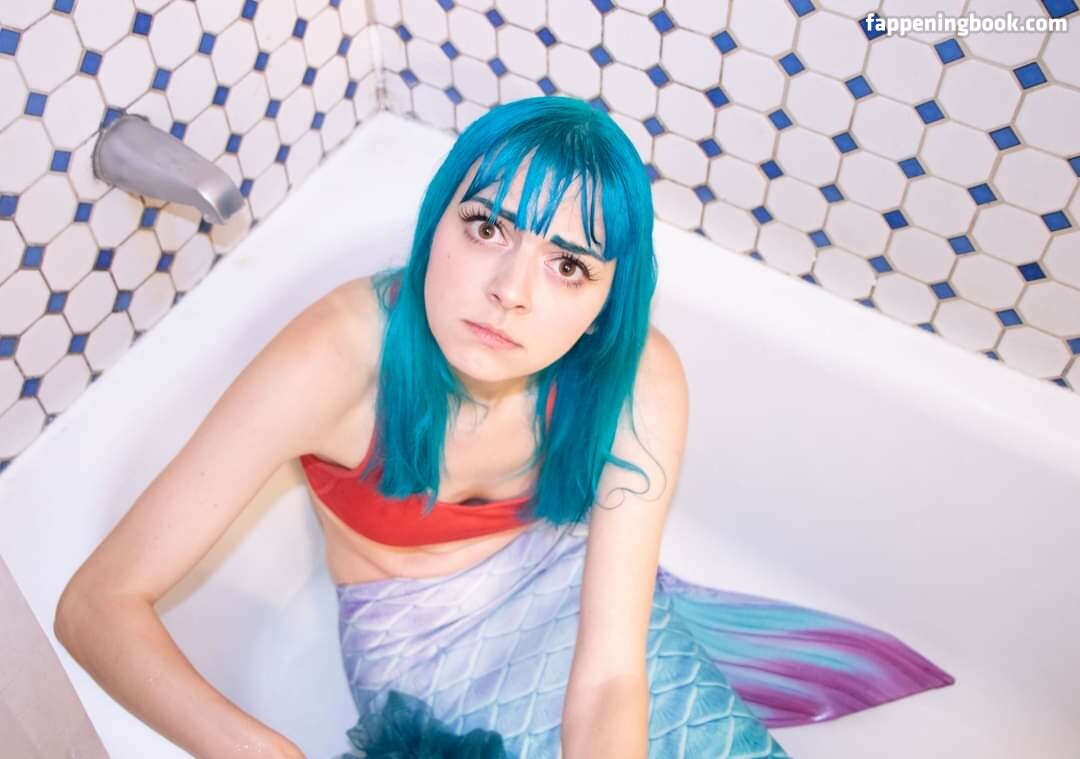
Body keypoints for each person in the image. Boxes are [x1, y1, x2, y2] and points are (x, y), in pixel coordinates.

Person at [55, 95, 953, 759]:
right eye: (487, 226)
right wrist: (268, 754)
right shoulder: (336, 357)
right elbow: (96, 605)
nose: (510, 291)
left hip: (572, 589)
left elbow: (610, 672)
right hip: (421, 648)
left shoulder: (638, 376)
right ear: (436, 219)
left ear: (607, 301)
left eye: (568, 264)